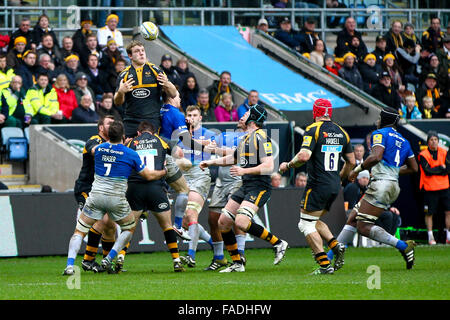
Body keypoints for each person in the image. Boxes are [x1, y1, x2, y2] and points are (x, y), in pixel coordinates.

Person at [63, 121, 167, 275]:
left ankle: (70, 266)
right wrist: (163, 171)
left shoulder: (99, 149)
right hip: (116, 199)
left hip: (96, 196)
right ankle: (109, 257)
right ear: (123, 136)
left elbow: (94, 151)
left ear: (108, 135)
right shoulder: (130, 153)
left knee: (79, 231)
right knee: (128, 228)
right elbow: (148, 175)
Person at [200, 105, 288, 272]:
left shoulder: (261, 137)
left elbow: (269, 166)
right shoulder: (247, 138)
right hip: (246, 185)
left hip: (259, 186)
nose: (243, 115)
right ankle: (237, 264)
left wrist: (244, 170)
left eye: (246, 113)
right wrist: (210, 162)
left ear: (253, 120)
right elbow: (233, 158)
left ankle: (278, 243)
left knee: (241, 222)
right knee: (223, 222)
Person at [279, 98, 354, 274]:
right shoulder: (342, 132)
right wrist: (340, 178)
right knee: (313, 220)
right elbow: (351, 161)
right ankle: (335, 246)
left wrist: (288, 165)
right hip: (334, 185)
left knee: (305, 225)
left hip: (318, 184)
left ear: (316, 113)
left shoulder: (313, 129)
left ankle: (324, 265)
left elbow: (304, 156)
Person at [347, 107, 418, 269]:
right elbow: (414, 168)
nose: (377, 120)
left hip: (381, 184)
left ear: (386, 120)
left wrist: (356, 170)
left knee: (362, 226)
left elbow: (376, 156)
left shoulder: (379, 133)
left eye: (380, 117)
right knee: (352, 218)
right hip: (393, 184)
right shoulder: (404, 140)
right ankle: (331, 257)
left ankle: (402, 246)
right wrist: (394, 171)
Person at [125, 120, 185, 272]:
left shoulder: (131, 143)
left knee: (129, 227)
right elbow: (180, 154)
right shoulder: (161, 140)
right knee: (167, 226)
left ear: (138, 132)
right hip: (156, 189)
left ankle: (120, 258)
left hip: (135, 189)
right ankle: (177, 260)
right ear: (154, 132)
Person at [73, 115, 117, 272]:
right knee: (99, 220)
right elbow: (93, 151)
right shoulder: (95, 140)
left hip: (102, 190)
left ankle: (107, 262)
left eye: (114, 123)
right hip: (86, 189)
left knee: (110, 224)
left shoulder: (113, 143)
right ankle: (88, 260)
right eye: (109, 123)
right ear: (101, 128)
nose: (112, 126)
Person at [205, 116, 249, 271]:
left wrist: (215, 150)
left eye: (244, 117)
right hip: (220, 182)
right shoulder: (224, 135)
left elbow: (235, 154)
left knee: (234, 217)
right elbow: (208, 144)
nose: (241, 119)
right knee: (212, 219)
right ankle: (219, 257)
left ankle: (240, 253)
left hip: (238, 181)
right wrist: (194, 142)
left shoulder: (250, 137)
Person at [177, 105, 217, 268]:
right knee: (187, 220)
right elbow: (176, 152)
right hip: (184, 177)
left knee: (191, 213)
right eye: (189, 115)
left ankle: (191, 255)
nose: (191, 117)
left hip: (200, 174)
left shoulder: (208, 133)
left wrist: (190, 143)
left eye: (194, 115)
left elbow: (211, 145)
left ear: (200, 118)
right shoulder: (181, 134)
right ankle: (214, 245)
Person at [114, 40, 177, 138]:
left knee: (151, 151)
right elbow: (117, 102)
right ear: (130, 56)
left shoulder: (155, 71)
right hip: (131, 121)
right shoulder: (124, 75)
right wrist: (121, 92)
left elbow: (173, 94)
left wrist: (167, 83)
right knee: (128, 149)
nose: (141, 53)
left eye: (143, 50)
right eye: (137, 51)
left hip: (152, 120)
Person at [418, 131, 450, 245]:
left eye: (436, 139)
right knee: (429, 213)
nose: (434, 142)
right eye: (431, 140)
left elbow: (448, 169)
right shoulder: (423, 154)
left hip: (444, 187)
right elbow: (427, 171)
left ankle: (448, 237)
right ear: (428, 142)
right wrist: (440, 168)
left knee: (448, 211)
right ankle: (430, 237)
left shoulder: (444, 152)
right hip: (429, 188)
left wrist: (439, 169)